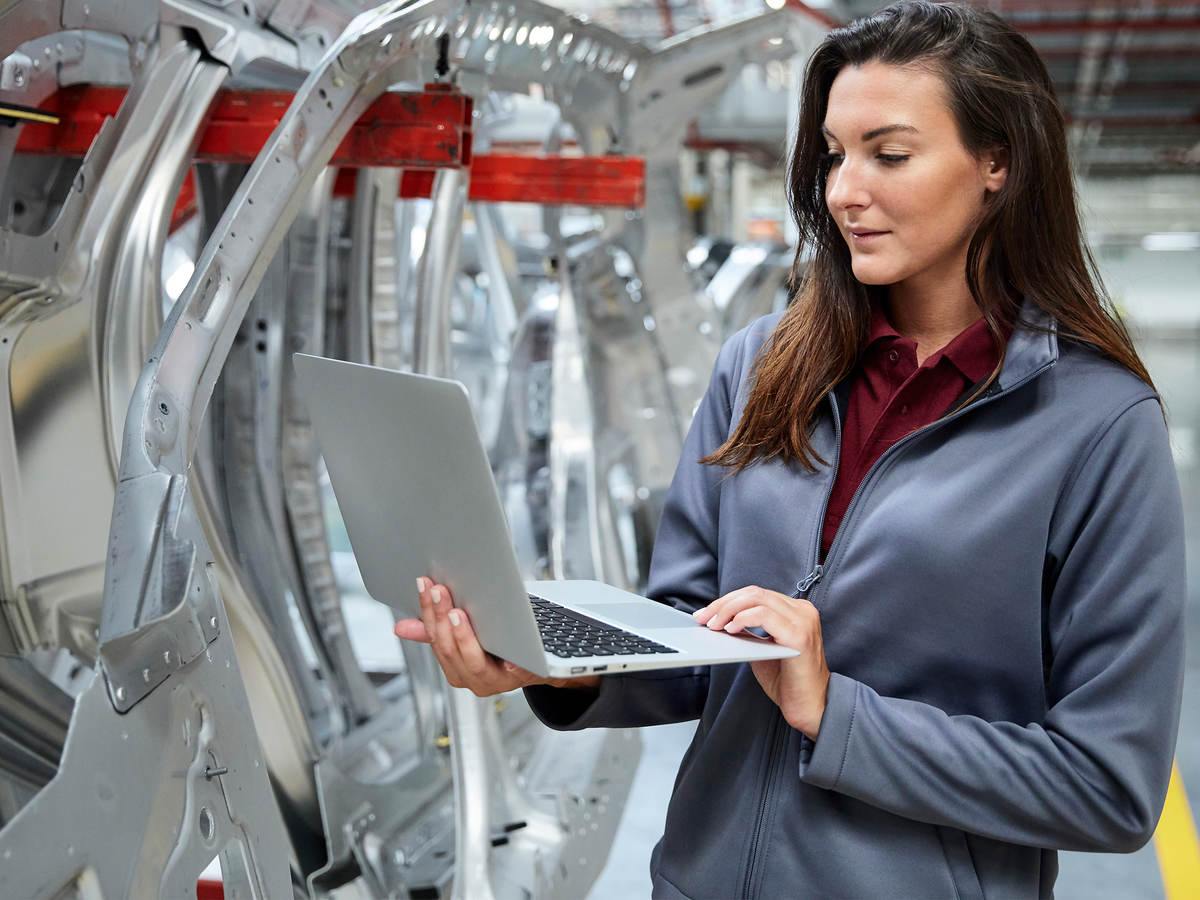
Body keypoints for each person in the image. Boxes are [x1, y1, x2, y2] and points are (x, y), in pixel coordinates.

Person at [394, 2, 1186, 896]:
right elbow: (690, 634)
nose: (846, 190)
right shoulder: (764, 364)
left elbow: (1108, 788)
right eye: (837, 154)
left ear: (997, 163)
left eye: (889, 155)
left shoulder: (1096, 426)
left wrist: (836, 714)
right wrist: (553, 666)